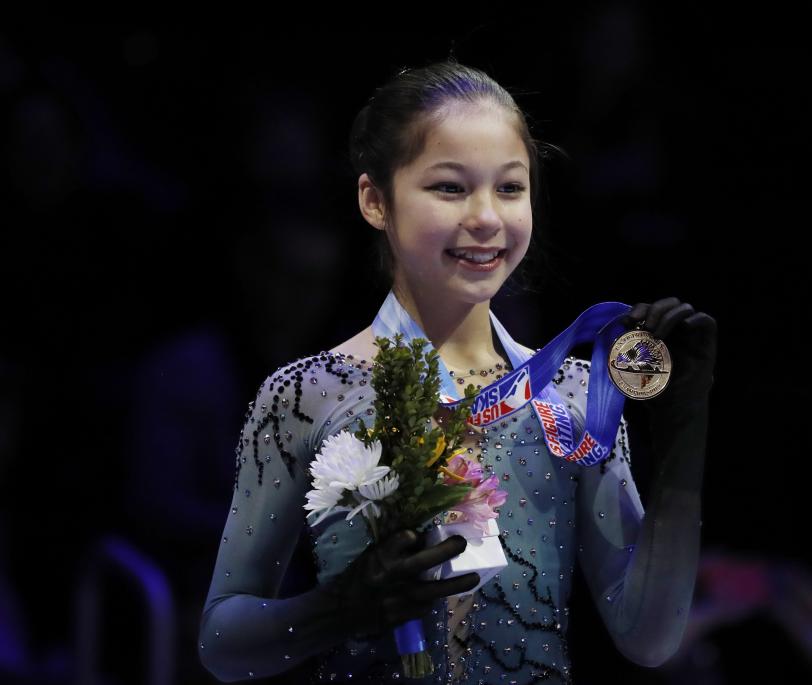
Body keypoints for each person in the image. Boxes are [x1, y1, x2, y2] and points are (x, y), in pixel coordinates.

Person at [198, 58, 717, 684]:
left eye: (509, 188)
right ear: (374, 199)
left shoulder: (574, 397)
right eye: (449, 187)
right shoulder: (306, 395)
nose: (486, 217)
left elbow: (650, 636)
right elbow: (221, 642)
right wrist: (334, 609)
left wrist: (686, 427)